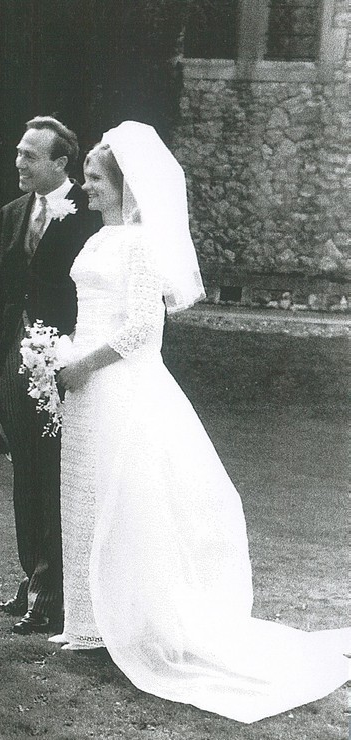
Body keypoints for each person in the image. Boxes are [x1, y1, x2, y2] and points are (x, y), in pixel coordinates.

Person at [50, 120, 351, 722]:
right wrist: (57, 357)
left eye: (94, 179)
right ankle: (87, 620)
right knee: (84, 498)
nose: (85, 188)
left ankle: (133, 621)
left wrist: (83, 363)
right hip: (83, 385)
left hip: (118, 385)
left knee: (127, 502)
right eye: (84, 178)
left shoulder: (137, 245)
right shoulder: (96, 241)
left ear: (126, 187)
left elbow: (141, 330)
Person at [0, 115, 101, 634]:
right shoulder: (11, 214)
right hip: (12, 362)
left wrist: (71, 359)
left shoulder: (91, 216)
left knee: (54, 475)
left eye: (30, 155)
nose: (19, 163)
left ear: (61, 162)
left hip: (63, 361)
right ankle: (31, 580)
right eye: (19, 152)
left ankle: (53, 591)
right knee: (24, 472)